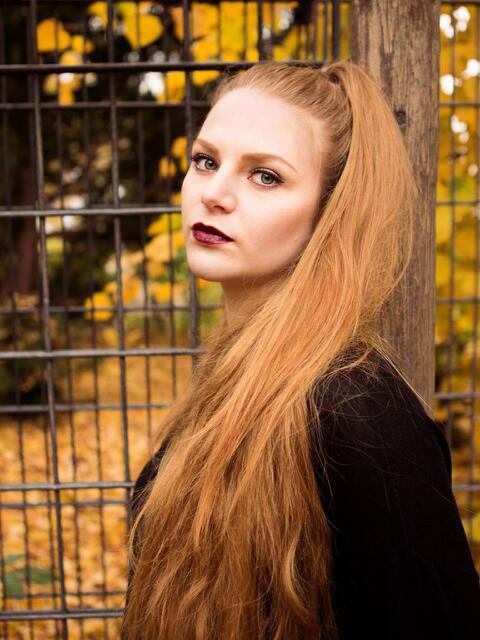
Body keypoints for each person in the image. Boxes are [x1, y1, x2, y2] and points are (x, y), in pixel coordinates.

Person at [120, 60, 480, 639]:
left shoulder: (359, 415)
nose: (213, 194)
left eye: (265, 176)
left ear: (329, 213)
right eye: (206, 161)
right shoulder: (234, 378)